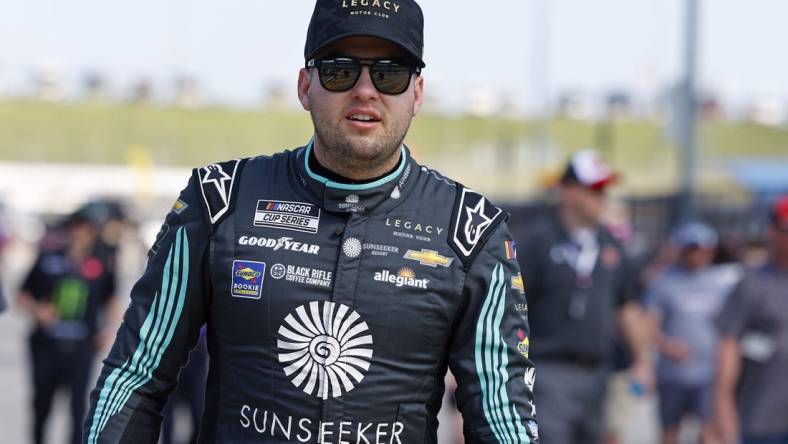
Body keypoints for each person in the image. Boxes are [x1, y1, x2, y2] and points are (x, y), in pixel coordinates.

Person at [83, 1, 539, 443]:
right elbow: (137, 375)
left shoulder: (471, 229)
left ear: (416, 94)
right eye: (341, 70)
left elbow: (500, 415)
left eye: (390, 73)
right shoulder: (220, 199)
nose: (365, 90)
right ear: (305, 86)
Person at [516, 149, 653, 444]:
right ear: (567, 191)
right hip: (549, 371)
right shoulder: (538, 240)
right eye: (593, 189)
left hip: (599, 375)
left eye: (603, 189)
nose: (601, 197)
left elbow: (627, 307)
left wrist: (642, 361)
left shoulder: (610, 244)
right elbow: (510, 306)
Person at [17, 211, 119, 444]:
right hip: (46, 346)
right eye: (76, 229)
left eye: (86, 230)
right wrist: (38, 310)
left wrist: (109, 331)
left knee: (77, 407)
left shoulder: (101, 264)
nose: (80, 235)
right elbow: (22, 295)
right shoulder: (48, 259)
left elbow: (112, 300)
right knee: (42, 405)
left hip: (81, 347)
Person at [645, 222, 740, 444]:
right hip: (673, 374)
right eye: (693, 248)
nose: (698, 254)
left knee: (709, 432)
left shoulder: (722, 281)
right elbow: (648, 324)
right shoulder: (664, 282)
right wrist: (667, 346)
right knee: (669, 432)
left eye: (704, 249)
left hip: (709, 373)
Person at [715, 196, 788, 444]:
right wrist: (723, 411)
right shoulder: (752, 283)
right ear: (772, 231)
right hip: (762, 420)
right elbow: (728, 348)